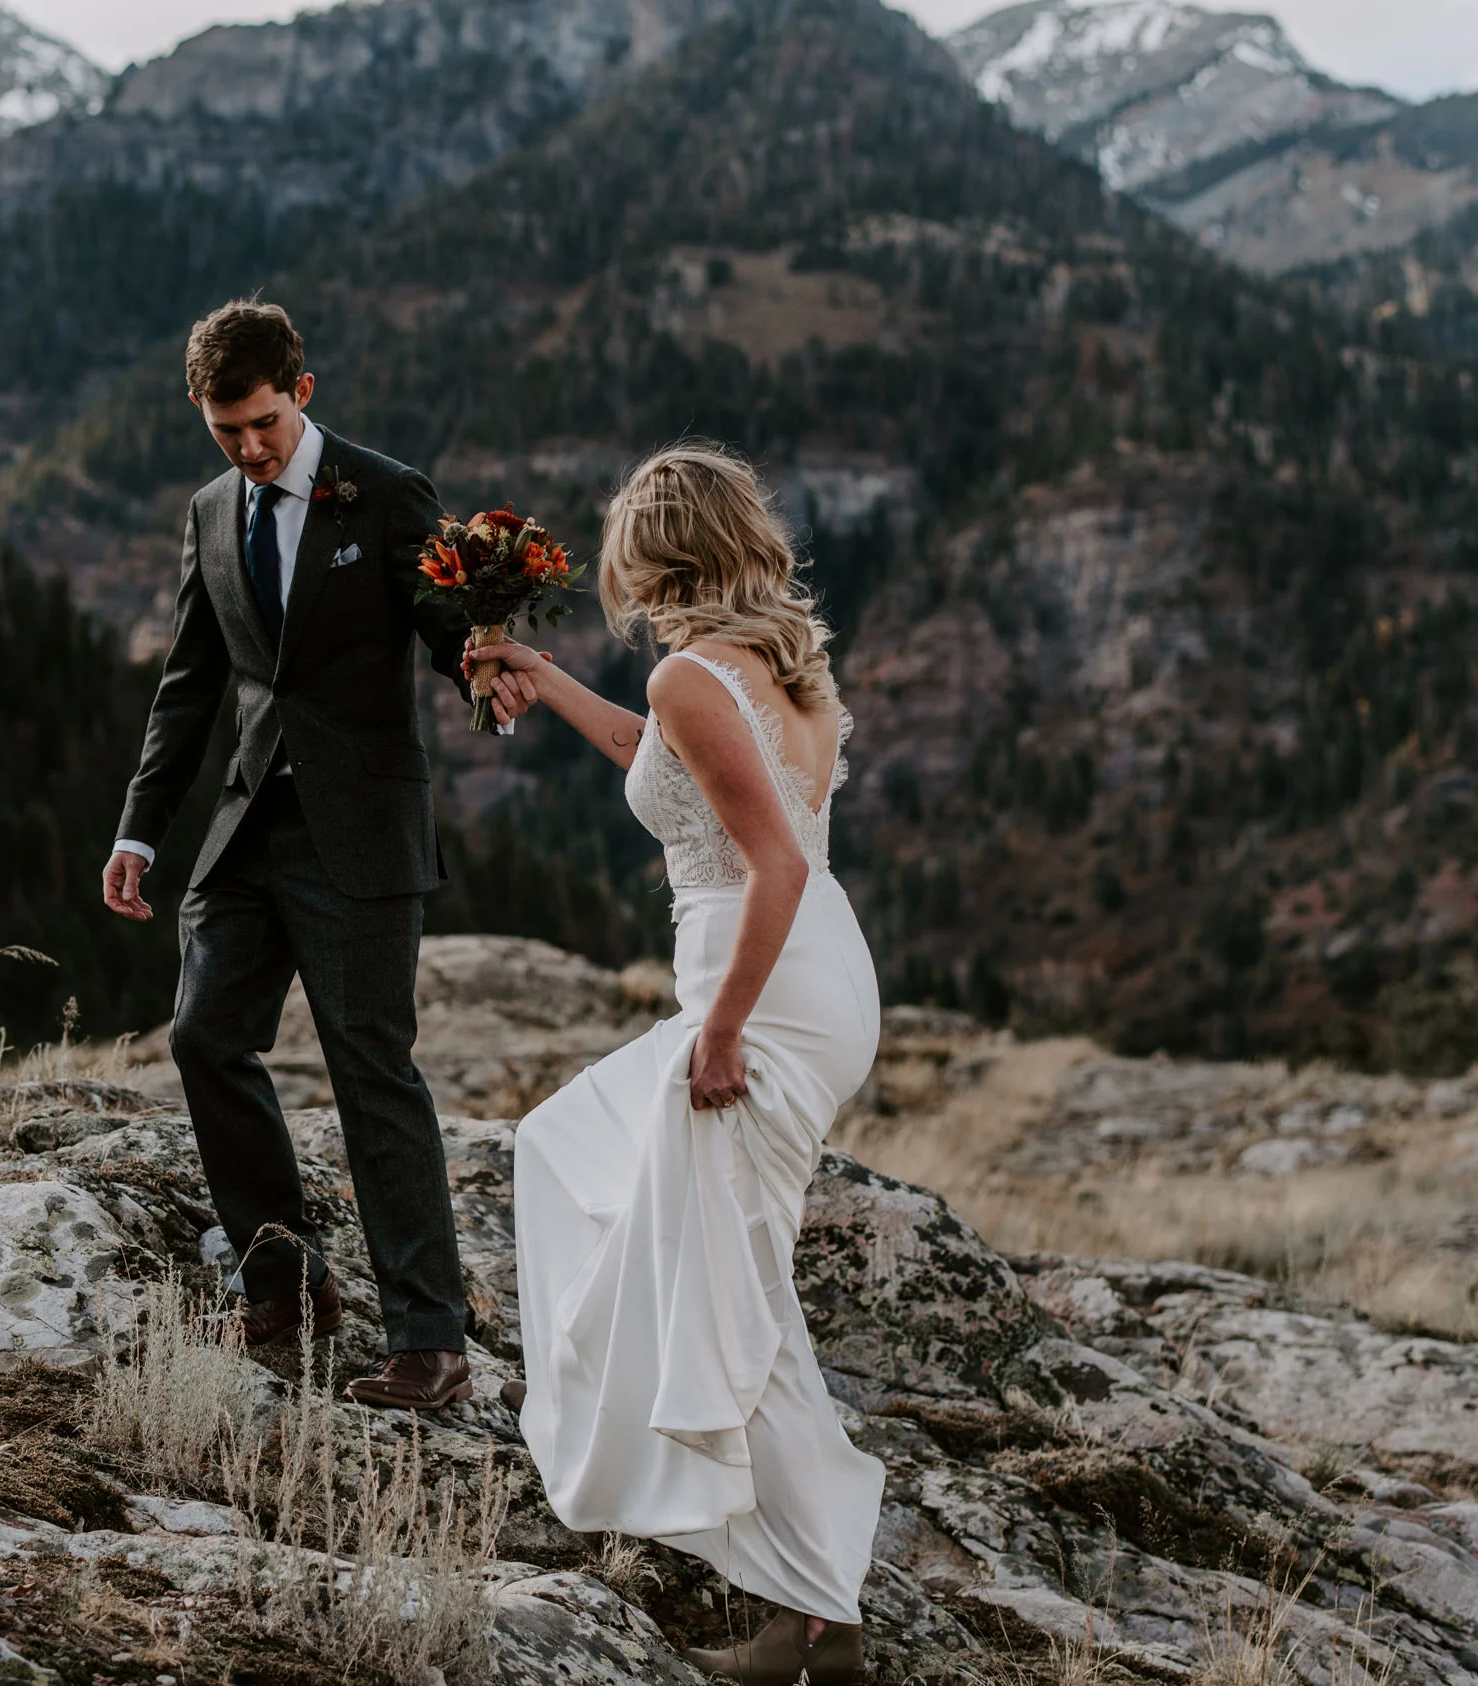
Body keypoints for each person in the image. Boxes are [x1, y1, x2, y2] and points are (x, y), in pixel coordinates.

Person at [464, 444, 884, 1684]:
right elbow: (668, 764)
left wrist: (718, 1033)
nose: (627, 591)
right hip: (815, 980)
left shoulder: (696, 674)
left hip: (761, 991)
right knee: (570, 1150)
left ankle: (815, 1619)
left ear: (665, 559)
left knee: (726, 1289)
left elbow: (775, 864)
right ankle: (779, 1578)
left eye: (632, 568)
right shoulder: (772, 669)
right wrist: (544, 678)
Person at [101, 299, 521, 1412]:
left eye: (265, 423)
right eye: (225, 428)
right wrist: (140, 825)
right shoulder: (207, 513)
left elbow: (444, 633)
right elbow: (191, 680)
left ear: (304, 391)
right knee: (202, 1036)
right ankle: (284, 1281)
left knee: (369, 1072)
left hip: (362, 834)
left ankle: (431, 1344)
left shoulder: (387, 494)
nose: (249, 447)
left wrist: (486, 664)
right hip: (247, 826)